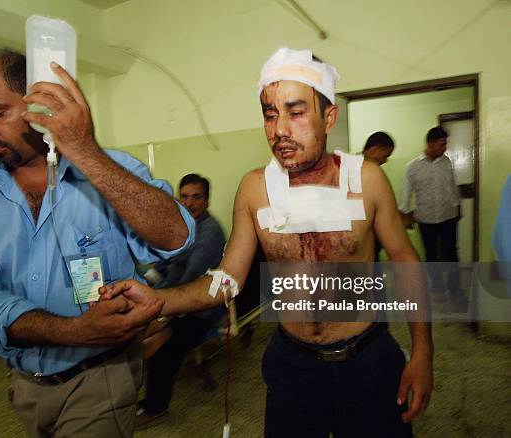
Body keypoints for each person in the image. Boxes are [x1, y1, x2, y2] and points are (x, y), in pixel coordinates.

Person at [102, 48, 433, 437]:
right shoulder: (255, 190)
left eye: (296, 112)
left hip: (368, 360)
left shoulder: (368, 181)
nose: (279, 130)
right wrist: (161, 300)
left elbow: (405, 261)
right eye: (270, 114)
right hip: (294, 367)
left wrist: (423, 351)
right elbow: (229, 279)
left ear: (329, 117)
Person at [0, 49, 195, 437]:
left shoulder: (113, 171)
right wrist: (76, 331)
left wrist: (85, 151)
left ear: (40, 102)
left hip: (101, 378)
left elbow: (176, 237)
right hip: (24, 385)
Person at [137, 173, 226, 427]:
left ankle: (156, 408)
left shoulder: (210, 232)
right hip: (175, 296)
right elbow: (166, 263)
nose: (189, 203)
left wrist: (162, 312)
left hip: (200, 308)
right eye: (184, 197)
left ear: (207, 201)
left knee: (164, 350)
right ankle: (147, 399)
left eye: (196, 197)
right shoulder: (184, 225)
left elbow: (191, 279)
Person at [400, 127, 462, 302]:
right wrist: (404, 214)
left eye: (446, 144)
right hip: (426, 218)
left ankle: (454, 287)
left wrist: (457, 207)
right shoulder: (412, 167)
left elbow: (452, 187)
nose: (445, 147)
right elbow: (406, 192)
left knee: (451, 253)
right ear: (431, 143)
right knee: (431, 255)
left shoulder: (447, 162)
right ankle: (437, 287)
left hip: (448, 215)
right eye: (442, 144)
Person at [362, 131, 395, 261]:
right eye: (385, 155)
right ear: (375, 150)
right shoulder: (352, 170)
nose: (385, 160)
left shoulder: (372, 171)